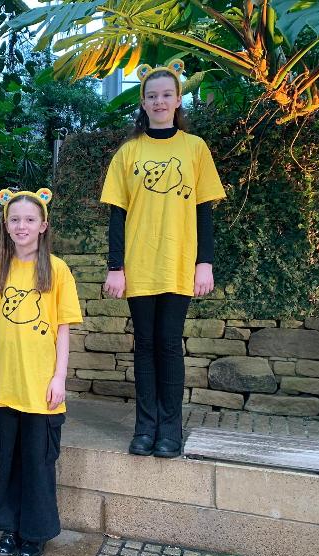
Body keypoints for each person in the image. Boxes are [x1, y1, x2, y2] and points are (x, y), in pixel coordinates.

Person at [100, 60, 226, 459]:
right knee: (145, 345)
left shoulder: (195, 148)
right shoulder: (128, 152)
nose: (159, 101)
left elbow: (204, 210)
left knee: (169, 344)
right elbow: (117, 215)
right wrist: (115, 267)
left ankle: (170, 430)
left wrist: (203, 262)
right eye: (152, 96)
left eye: (166, 95)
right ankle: (145, 428)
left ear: (177, 99)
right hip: (139, 265)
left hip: (178, 262)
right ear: (143, 101)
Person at [0, 188, 82, 556]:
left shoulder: (57, 270)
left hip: (41, 389)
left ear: (43, 226)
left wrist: (59, 377)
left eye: (29, 220)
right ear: (5, 226)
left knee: (37, 463)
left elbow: (65, 328)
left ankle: (34, 533)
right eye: (15, 220)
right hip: (5, 387)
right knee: (8, 460)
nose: (22, 226)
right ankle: (9, 526)